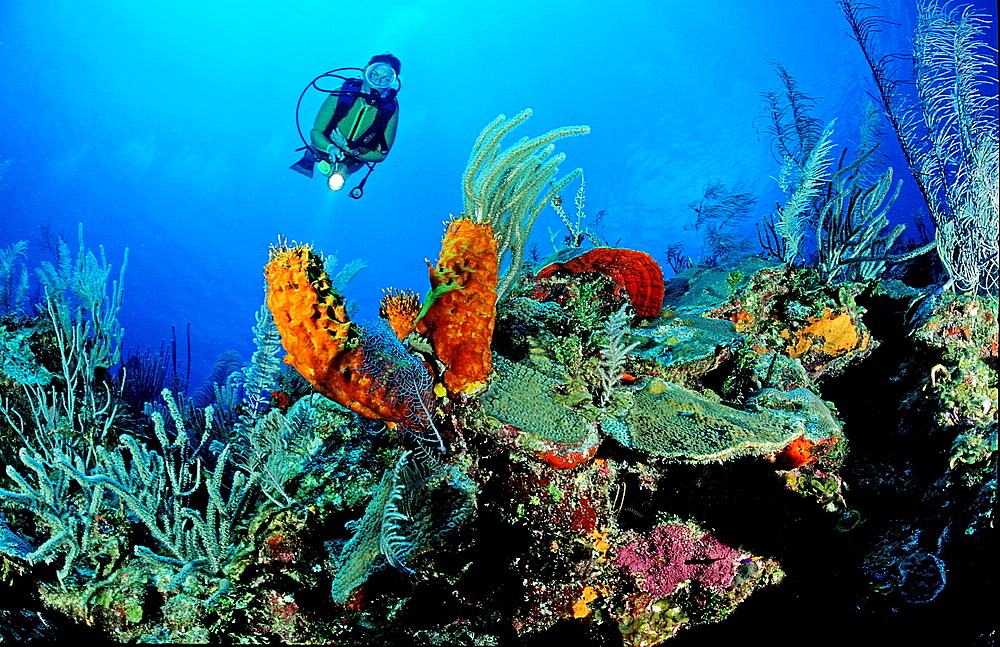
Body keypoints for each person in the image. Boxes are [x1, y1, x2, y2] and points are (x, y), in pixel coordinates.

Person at [308, 54, 400, 192]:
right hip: (325, 145)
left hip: (356, 158)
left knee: (339, 176)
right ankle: (307, 162)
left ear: (391, 82)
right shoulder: (341, 94)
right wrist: (330, 148)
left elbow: (380, 155)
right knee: (311, 155)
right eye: (374, 75)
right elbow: (316, 131)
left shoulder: (390, 110)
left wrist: (348, 148)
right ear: (365, 72)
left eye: (385, 79)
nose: (377, 81)